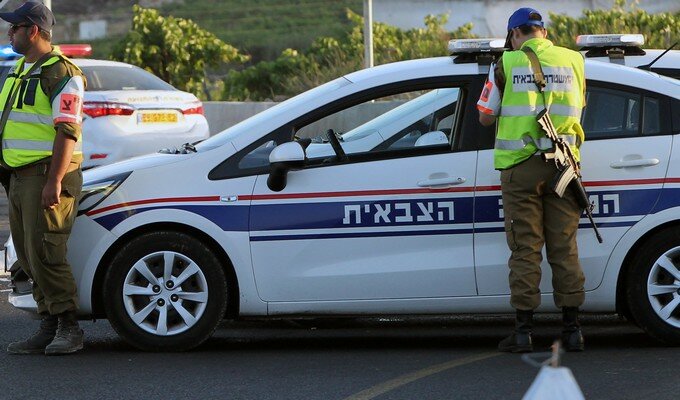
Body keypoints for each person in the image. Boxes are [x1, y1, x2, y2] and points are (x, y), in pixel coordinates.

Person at [477, 7, 586, 353]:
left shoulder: (505, 64)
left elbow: (484, 116)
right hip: (564, 169)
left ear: (514, 34)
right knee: (564, 247)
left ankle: (523, 333)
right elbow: (581, 104)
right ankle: (573, 331)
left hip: (520, 168)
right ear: (543, 31)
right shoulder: (574, 61)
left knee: (526, 248)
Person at [1, 1, 86, 355]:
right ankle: (48, 323)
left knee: (46, 251)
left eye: (16, 28)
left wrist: (54, 182)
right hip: (19, 177)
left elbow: (67, 132)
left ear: (33, 30)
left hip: (46, 174)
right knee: (28, 254)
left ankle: (69, 326)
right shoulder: (20, 68)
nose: (10, 33)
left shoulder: (62, 73)